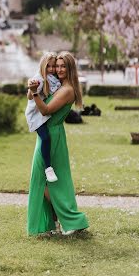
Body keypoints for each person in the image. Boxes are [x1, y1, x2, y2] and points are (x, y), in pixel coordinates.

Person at [27, 51, 89, 237]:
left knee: (42, 180)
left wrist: (35, 92)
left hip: (52, 136)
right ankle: (55, 223)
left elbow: (45, 110)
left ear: (70, 68)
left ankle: (70, 221)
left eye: (63, 66)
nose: (59, 69)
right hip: (52, 134)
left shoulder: (67, 90)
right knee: (48, 181)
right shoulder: (60, 86)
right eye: (57, 66)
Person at [25, 52, 61, 183]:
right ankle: (48, 168)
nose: (51, 69)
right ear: (43, 67)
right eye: (48, 67)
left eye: (53, 66)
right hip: (35, 115)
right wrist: (32, 88)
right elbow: (29, 96)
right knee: (45, 138)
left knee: (47, 138)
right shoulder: (39, 79)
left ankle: (48, 167)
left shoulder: (53, 80)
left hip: (42, 113)